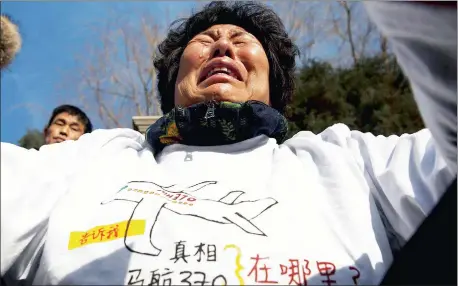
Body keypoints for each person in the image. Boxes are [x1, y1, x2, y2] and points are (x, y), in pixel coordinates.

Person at [0, 1, 455, 285]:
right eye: (207, 40)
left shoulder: (349, 159)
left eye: (241, 40)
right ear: (173, 78)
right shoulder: (95, 158)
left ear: (272, 82)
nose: (223, 48)